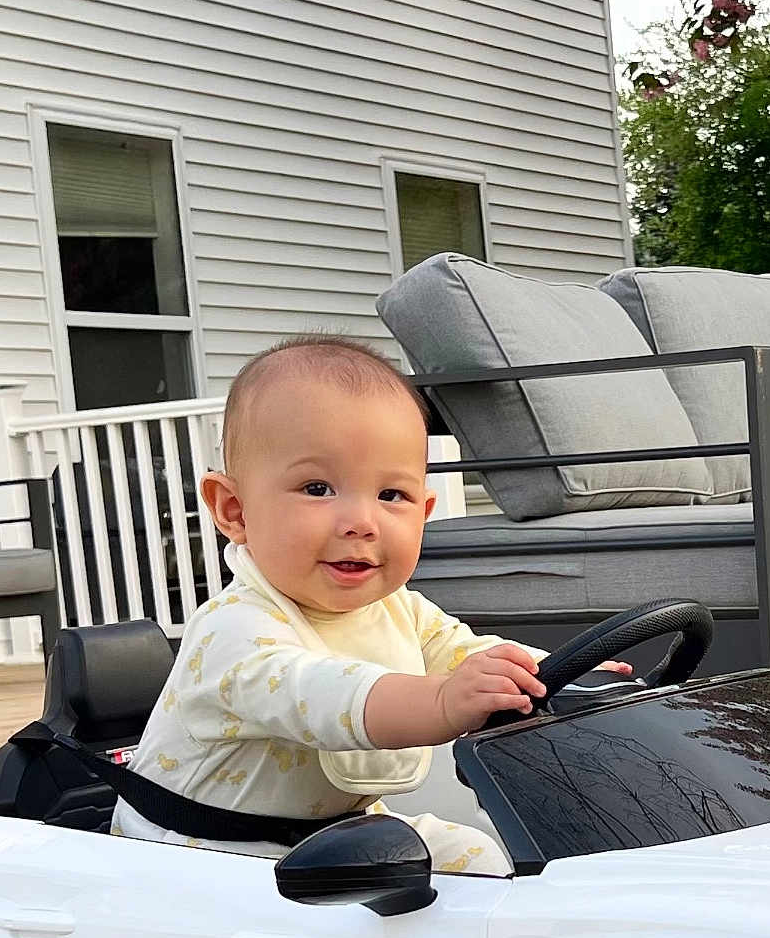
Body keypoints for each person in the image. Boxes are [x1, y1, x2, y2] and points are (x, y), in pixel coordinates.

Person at [114, 335, 611, 870]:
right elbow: (328, 697)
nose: (361, 522)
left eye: (391, 496)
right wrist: (445, 702)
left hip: (331, 834)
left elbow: (463, 649)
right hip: (201, 856)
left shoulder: (398, 608)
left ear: (423, 511)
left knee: (478, 857)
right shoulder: (233, 631)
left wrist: (558, 670)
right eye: (317, 488)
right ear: (235, 510)